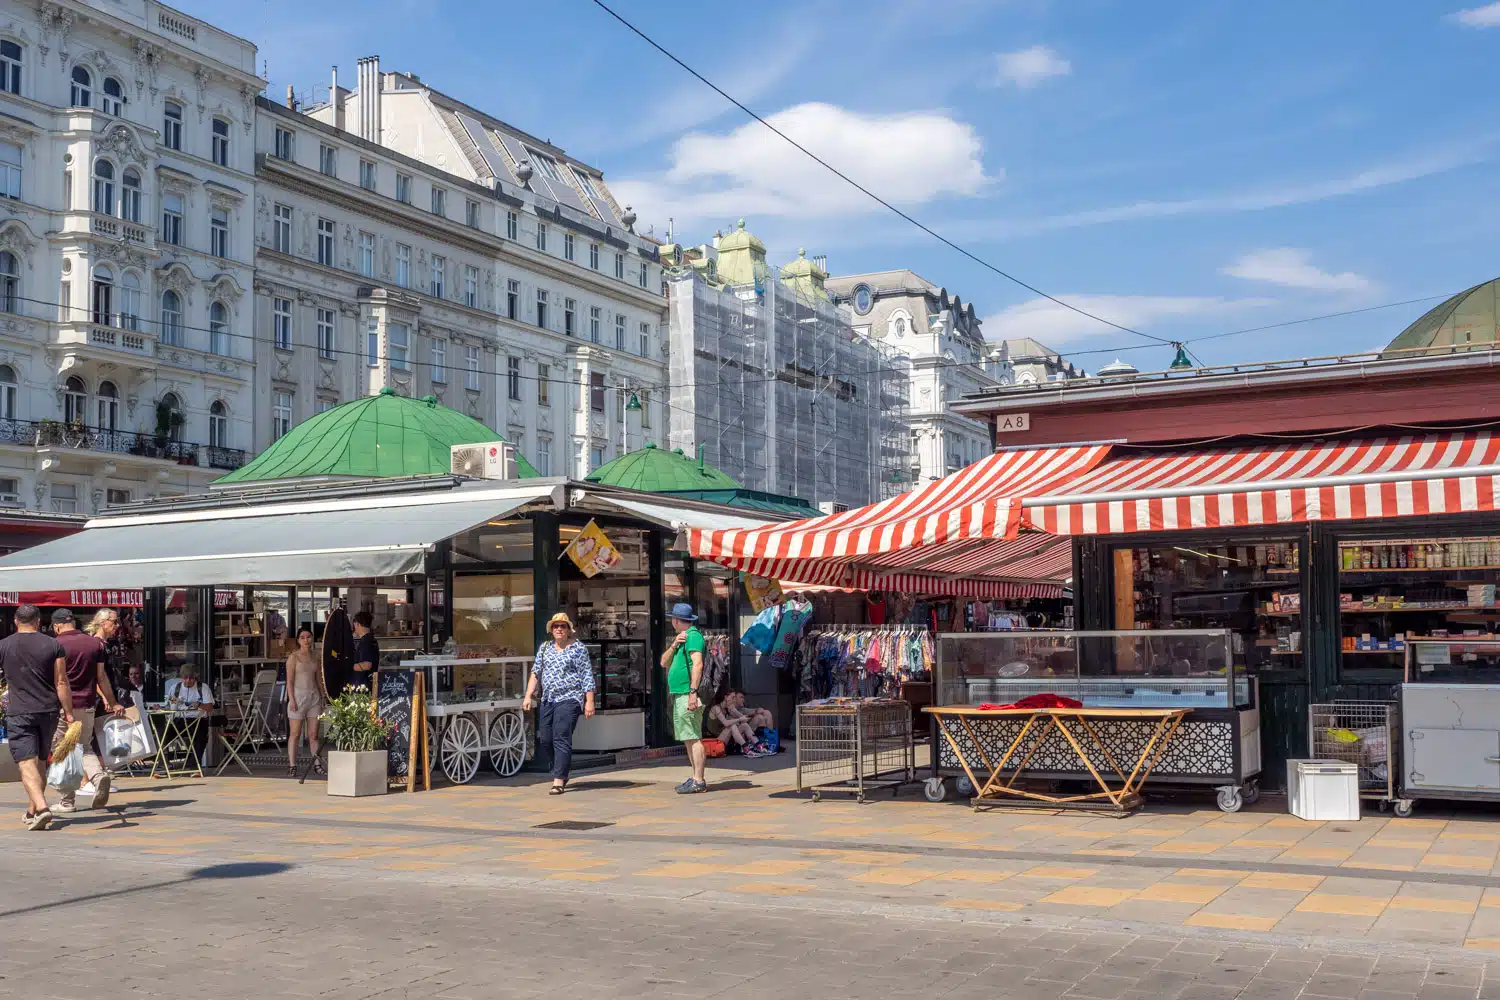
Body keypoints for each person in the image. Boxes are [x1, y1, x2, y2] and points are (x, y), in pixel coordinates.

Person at [0, 605, 71, 830]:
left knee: (25, 762)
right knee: (39, 760)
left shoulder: (4, 645)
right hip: (48, 710)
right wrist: (68, 711)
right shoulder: (53, 645)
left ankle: (41, 808)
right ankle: (32, 811)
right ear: (39, 621)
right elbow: (61, 681)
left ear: (15, 621)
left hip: (20, 711)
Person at [52, 608, 125, 813]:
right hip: (88, 704)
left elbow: (58, 680)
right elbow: (101, 678)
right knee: (84, 747)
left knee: (64, 751)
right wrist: (113, 701)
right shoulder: (94, 644)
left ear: (57, 626)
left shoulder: (56, 644)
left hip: (63, 707)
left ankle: (67, 801)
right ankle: (98, 776)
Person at [522, 613, 595, 794]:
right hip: (548, 698)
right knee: (546, 738)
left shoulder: (578, 648)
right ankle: (560, 769)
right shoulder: (545, 647)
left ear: (569, 629)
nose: (559, 629)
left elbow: (586, 675)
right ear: (551, 629)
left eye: (563, 626)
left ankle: (558, 780)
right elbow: (535, 672)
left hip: (570, 698)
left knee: (561, 735)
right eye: (556, 626)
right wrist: (528, 695)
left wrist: (589, 701)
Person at [661, 602, 707, 794]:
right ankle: (695, 776)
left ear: (678, 620)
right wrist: (673, 644)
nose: (671, 621)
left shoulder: (694, 637)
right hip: (680, 693)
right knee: (687, 737)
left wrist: (692, 692)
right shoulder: (682, 639)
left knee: (693, 736)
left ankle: (699, 779)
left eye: (673, 618)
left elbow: (698, 665)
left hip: (687, 693)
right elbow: (664, 662)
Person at [285, 628, 327, 776]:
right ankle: (292, 765)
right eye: (302, 637)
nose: (306, 640)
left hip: (313, 696)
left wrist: (323, 696)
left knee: (313, 734)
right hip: (298, 696)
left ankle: (316, 764)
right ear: (298, 640)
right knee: (295, 733)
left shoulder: (316, 656)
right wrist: (291, 699)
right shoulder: (293, 658)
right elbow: (289, 681)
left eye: (309, 637)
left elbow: (318, 679)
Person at [350, 611, 378, 688]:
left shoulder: (365, 642)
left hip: (363, 687)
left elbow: (367, 665)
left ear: (357, 624)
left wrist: (348, 666)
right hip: (369, 684)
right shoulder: (372, 639)